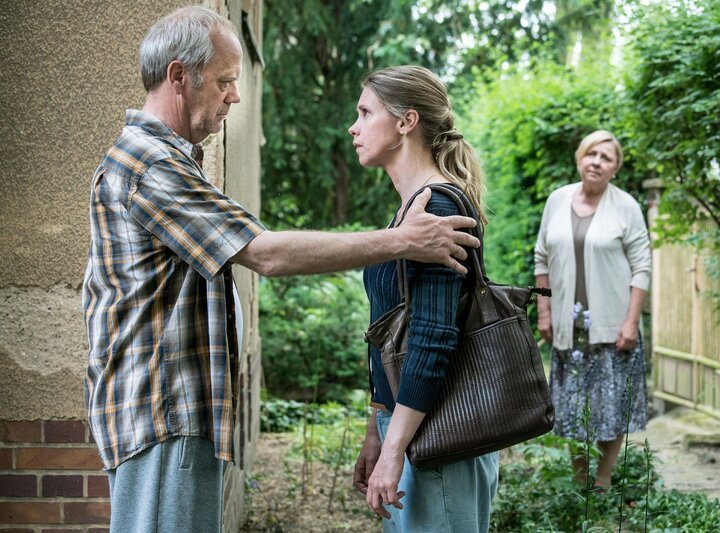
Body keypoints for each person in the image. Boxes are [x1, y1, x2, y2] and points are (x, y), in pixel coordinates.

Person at [82, 8, 480, 532]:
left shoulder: (167, 162)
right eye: (225, 81)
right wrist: (402, 241)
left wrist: (384, 435)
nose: (236, 96)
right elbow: (265, 253)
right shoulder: (153, 166)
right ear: (179, 76)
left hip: (174, 416)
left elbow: (427, 333)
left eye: (366, 112)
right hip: (163, 416)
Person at [349, 65, 499, 532]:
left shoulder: (436, 206)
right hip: (415, 428)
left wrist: (394, 450)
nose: (354, 126)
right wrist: (378, 428)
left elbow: (433, 339)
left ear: (405, 122)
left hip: (440, 439)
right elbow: (392, 331)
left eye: (365, 112)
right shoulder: (411, 210)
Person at [534, 130, 651, 490]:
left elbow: (642, 266)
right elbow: (542, 259)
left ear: (615, 168)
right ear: (580, 158)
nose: (597, 162)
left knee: (610, 408)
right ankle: (579, 482)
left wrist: (631, 322)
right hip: (569, 328)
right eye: (591, 154)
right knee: (571, 409)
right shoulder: (557, 200)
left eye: (606, 158)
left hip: (613, 328)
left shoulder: (626, 206)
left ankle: (601, 484)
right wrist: (544, 312)